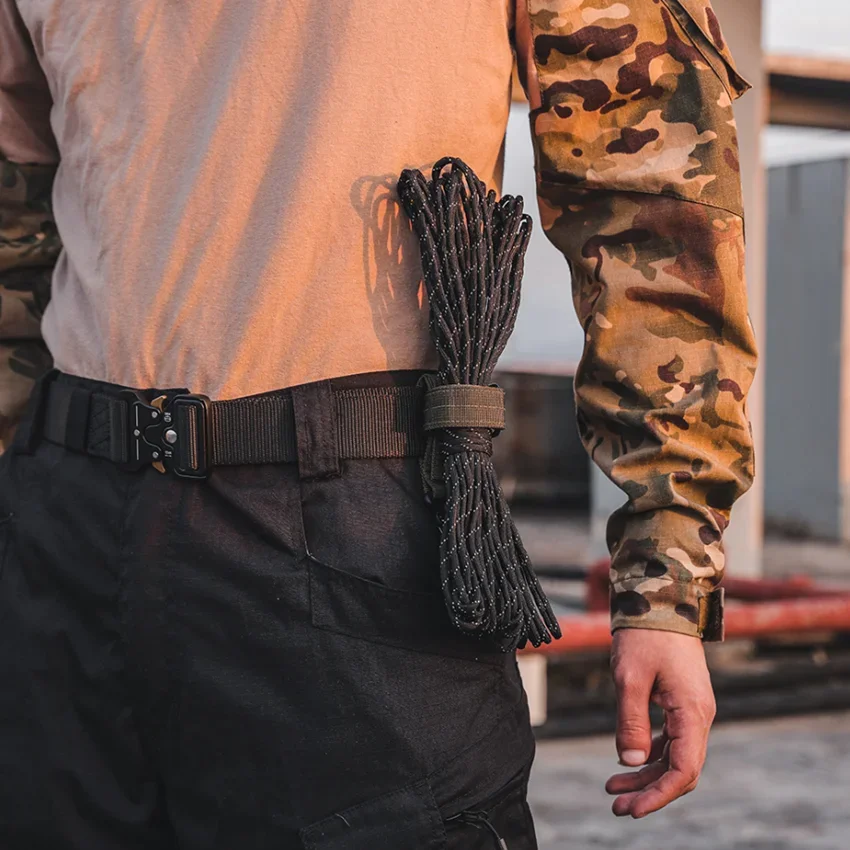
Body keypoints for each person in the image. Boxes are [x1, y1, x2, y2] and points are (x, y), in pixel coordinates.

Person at [0, 0, 757, 847]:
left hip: (352, 519)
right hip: (60, 535)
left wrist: (665, 580)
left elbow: (651, 191)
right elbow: (14, 213)